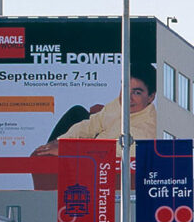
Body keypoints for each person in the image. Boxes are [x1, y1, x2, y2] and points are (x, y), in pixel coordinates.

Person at [28, 62, 158, 185]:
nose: (127, 98)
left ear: (151, 97)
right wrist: (62, 141)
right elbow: (94, 123)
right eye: (125, 89)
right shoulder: (122, 104)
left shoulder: (144, 131)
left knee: (46, 159)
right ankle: (48, 149)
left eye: (137, 92)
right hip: (96, 141)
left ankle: (48, 165)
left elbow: (105, 154)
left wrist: (65, 150)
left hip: (100, 167)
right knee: (77, 112)